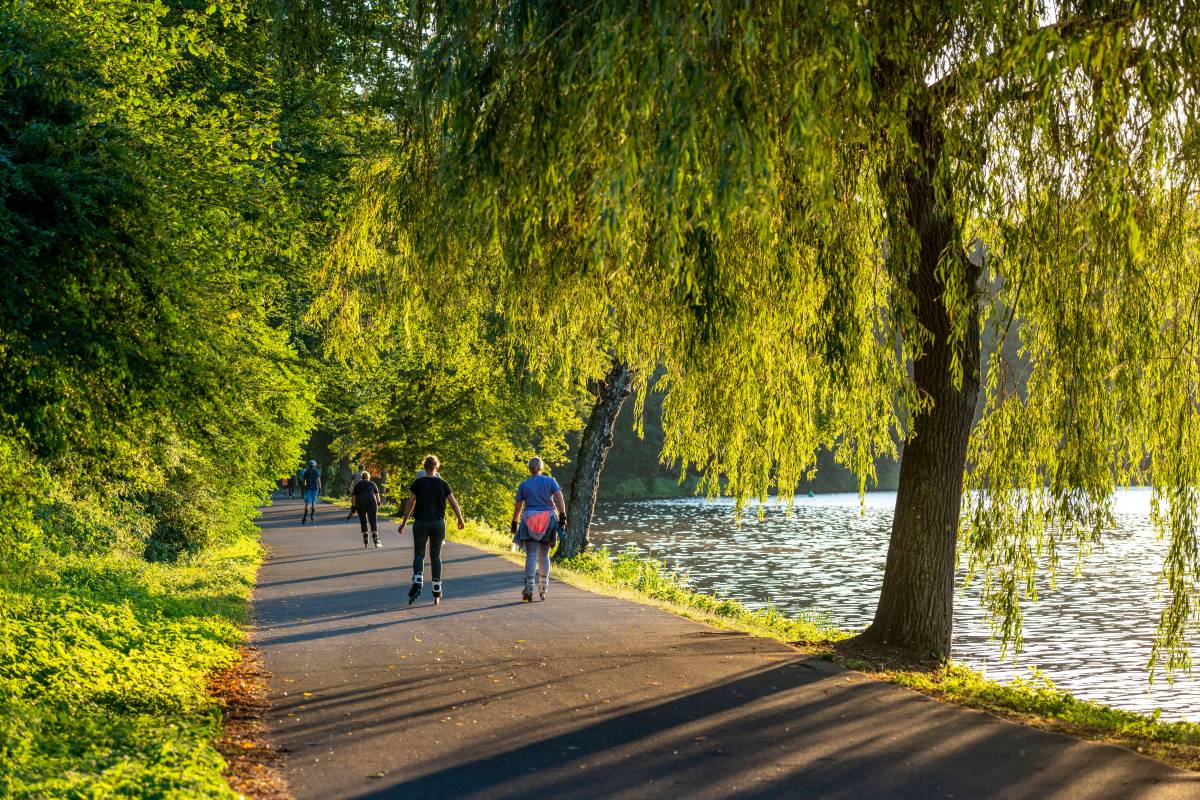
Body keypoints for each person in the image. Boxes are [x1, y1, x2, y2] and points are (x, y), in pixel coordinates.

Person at [396, 455, 465, 605]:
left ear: (424, 466)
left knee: (419, 554)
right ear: (436, 467)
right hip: (438, 524)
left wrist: (404, 522)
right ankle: (436, 591)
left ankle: (418, 579)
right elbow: (454, 504)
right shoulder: (443, 484)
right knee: (436, 556)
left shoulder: (418, 483)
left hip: (421, 523)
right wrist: (460, 519)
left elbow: (410, 503)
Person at [511, 456, 566, 602]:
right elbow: (560, 499)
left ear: (529, 468)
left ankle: (529, 587)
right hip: (549, 520)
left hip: (530, 520)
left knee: (531, 555)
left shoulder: (524, 484)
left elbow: (518, 507)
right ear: (541, 467)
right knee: (544, 554)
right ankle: (543, 586)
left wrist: (514, 524)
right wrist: (563, 517)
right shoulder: (550, 481)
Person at [352, 470, 382, 548]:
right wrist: (378, 502)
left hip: (360, 503)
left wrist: (354, 506)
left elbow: (354, 496)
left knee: (363, 520)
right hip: (371, 503)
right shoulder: (372, 483)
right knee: (373, 519)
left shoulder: (357, 485)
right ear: (368, 477)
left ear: (362, 477)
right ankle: (375, 538)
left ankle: (365, 537)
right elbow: (377, 495)